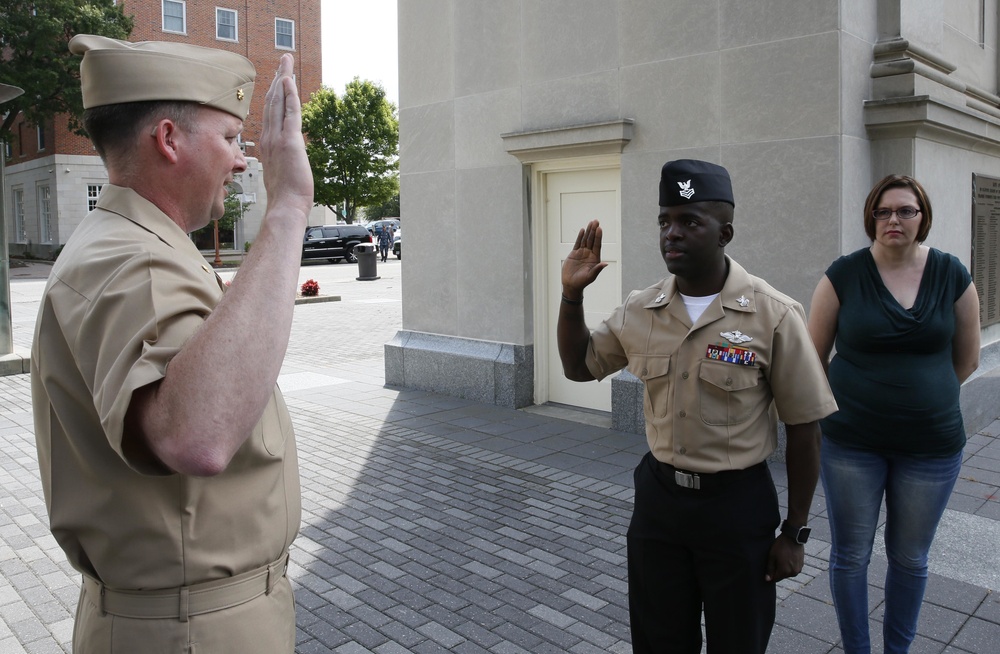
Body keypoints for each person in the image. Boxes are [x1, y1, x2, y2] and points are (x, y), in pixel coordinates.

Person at [30, 34, 313, 652]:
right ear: (168, 139)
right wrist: (289, 207)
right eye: (233, 140)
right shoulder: (128, 260)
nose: (244, 161)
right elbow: (197, 435)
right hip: (189, 629)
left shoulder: (141, 247)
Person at [557, 159, 838, 654]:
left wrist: (794, 532)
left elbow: (805, 429)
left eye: (690, 221)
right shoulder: (640, 310)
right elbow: (579, 367)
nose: (673, 233)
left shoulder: (773, 314)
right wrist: (571, 298)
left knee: (738, 642)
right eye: (665, 221)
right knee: (659, 641)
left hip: (736, 508)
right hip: (660, 504)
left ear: (725, 231)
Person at [807, 174, 980, 654]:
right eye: (883, 212)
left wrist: (922, 398)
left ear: (923, 217)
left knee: (909, 559)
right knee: (850, 556)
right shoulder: (842, 275)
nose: (894, 220)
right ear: (871, 218)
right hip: (850, 445)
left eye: (906, 210)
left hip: (931, 448)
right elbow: (812, 358)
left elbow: (967, 359)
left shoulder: (952, 274)